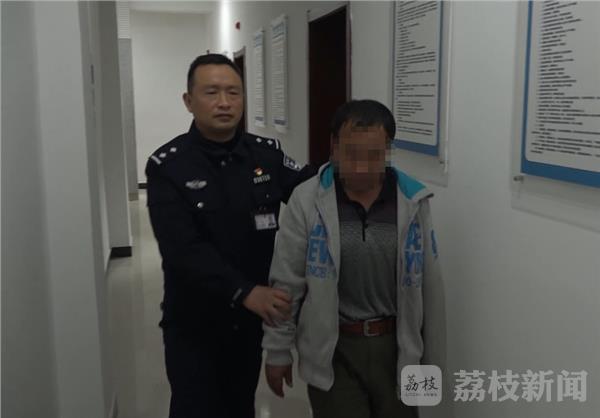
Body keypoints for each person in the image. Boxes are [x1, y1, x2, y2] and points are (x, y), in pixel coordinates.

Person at [145, 53, 316, 418]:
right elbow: (182, 249)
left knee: (239, 406)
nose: (224, 102)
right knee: (194, 408)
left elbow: (312, 191)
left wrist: (357, 167)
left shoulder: (266, 156)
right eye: (211, 92)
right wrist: (245, 291)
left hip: (248, 323)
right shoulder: (169, 165)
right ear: (189, 101)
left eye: (233, 92)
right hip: (194, 321)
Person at [262, 100, 451, 418]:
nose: (362, 167)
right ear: (334, 147)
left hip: (398, 347)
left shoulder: (412, 201)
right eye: (351, 154)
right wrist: (278, 350)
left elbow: (429, 288)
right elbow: (286, 282)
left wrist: (431, 364)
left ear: (388, 151)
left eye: (374, 155)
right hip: (334, 350)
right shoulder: (307, 201)